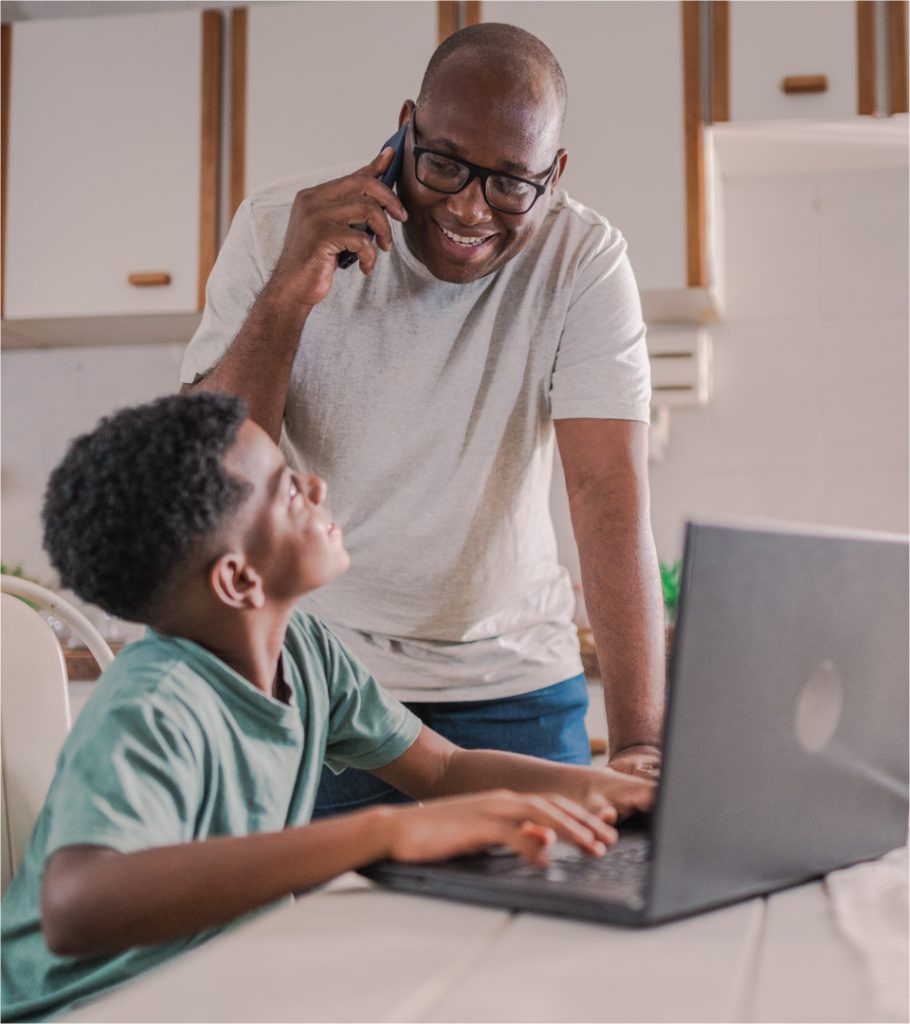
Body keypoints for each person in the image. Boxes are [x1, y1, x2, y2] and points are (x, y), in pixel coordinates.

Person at [0, 393, 652, 1023]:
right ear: (238, 580)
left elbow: (444, 770)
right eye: (287, 491)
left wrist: (615, 787)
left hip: (209, 990)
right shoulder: (155, 706)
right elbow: (74, 905)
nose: (314, 486)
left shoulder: (306, 650)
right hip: (85, 1009)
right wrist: (383, 832)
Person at [181, 22, 666, 817]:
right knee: (331, 934)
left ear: (557, 172)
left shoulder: (584, 260)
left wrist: (641, 741)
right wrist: (289, 294)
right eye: (443, 164)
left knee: (549, 933)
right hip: (321, 680)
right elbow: (210, 477)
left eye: (512, 183)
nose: (470, 209)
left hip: (517, 690)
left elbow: (607, 494)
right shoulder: (278, 228)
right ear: (407, 125)